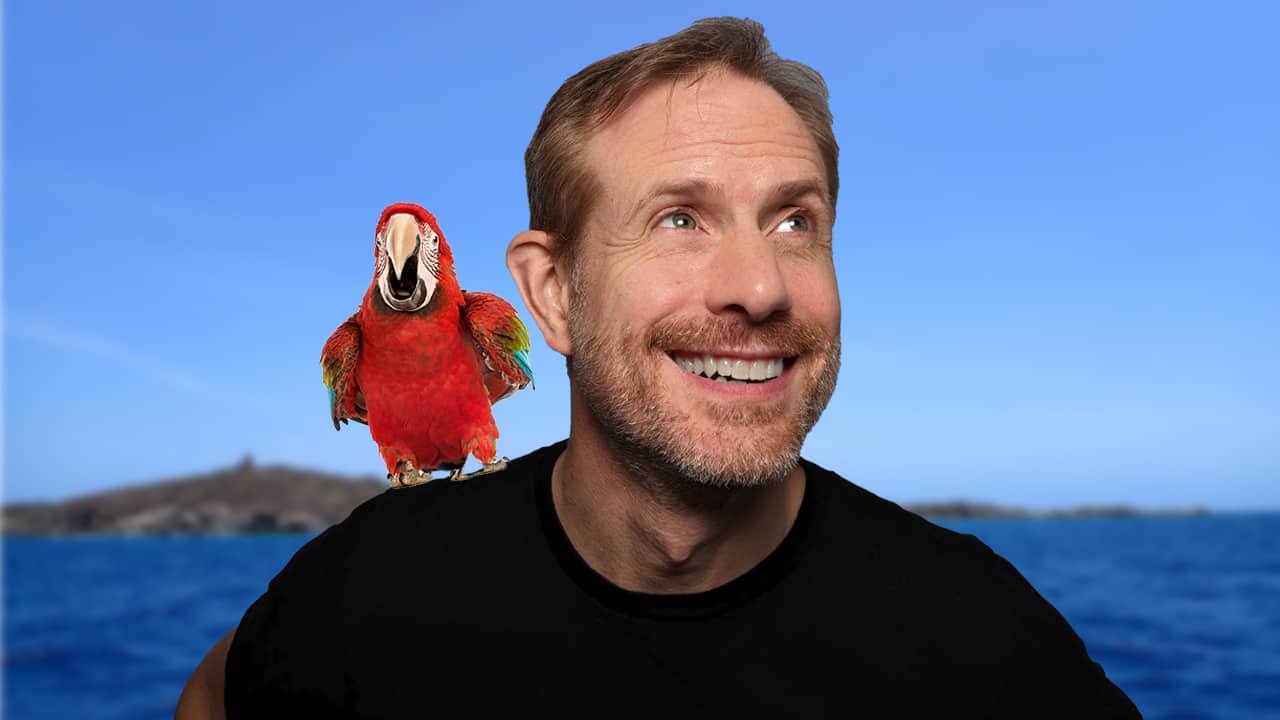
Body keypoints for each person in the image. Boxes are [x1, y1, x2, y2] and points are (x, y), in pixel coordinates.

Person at [178, 17, 1141, 718]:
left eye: (795, 222)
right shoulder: (368, 584)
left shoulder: (981, 641)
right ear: (552, 293)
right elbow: (216, 696)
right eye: (680, 219)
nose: (759, 287)